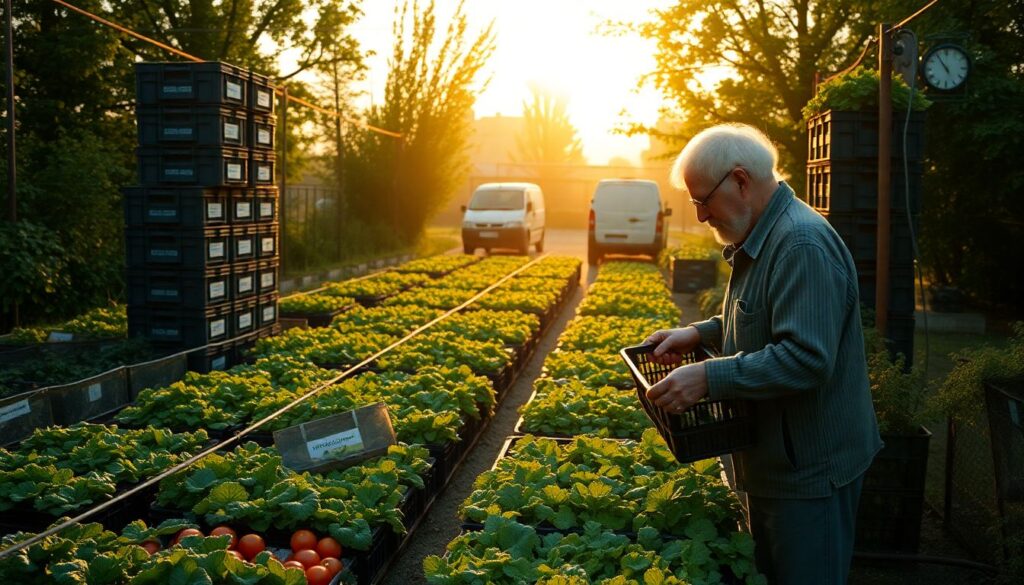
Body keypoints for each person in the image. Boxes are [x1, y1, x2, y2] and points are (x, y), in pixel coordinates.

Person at [643, 124, 882, 585]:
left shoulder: (800, 245)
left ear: (740, 181)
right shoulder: (762, 236)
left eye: (703, 200)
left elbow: (806, 358)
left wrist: (708, 377)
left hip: (810, 472)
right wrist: (698, 332)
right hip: (778, 461)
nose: (700, 216)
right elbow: (761, 318)